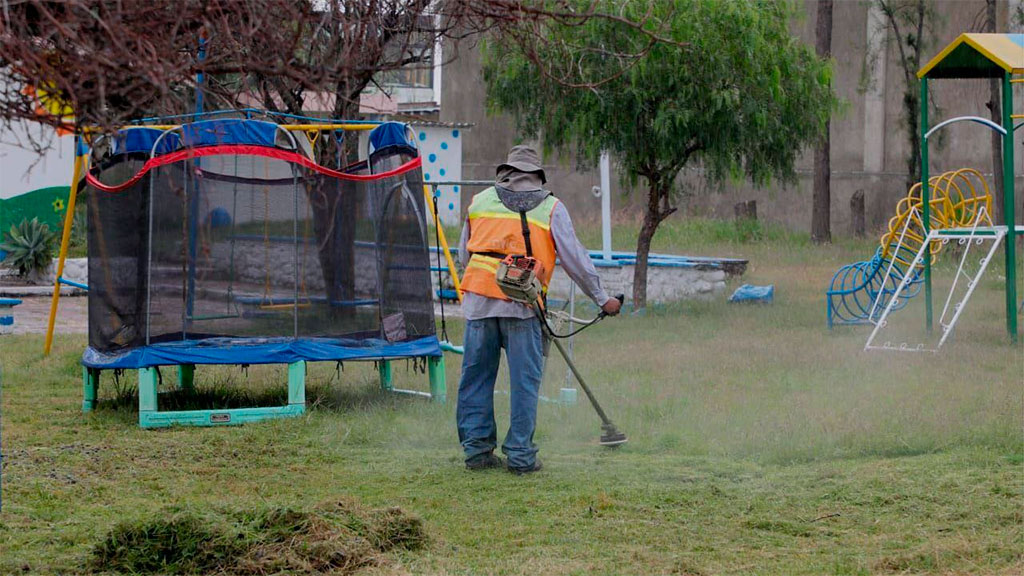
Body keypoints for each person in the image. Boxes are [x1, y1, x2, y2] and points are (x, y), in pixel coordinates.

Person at [456, 145, 621, 474]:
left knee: (475, 380)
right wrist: (603, 299)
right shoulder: (551, 207)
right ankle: (520, 457)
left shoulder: (480, 201)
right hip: (523, 306)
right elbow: (575, 260)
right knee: (524, 384)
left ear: (506, 172)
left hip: (479, 304)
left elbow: (464, 256)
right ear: (537, 177)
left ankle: (476, 453)